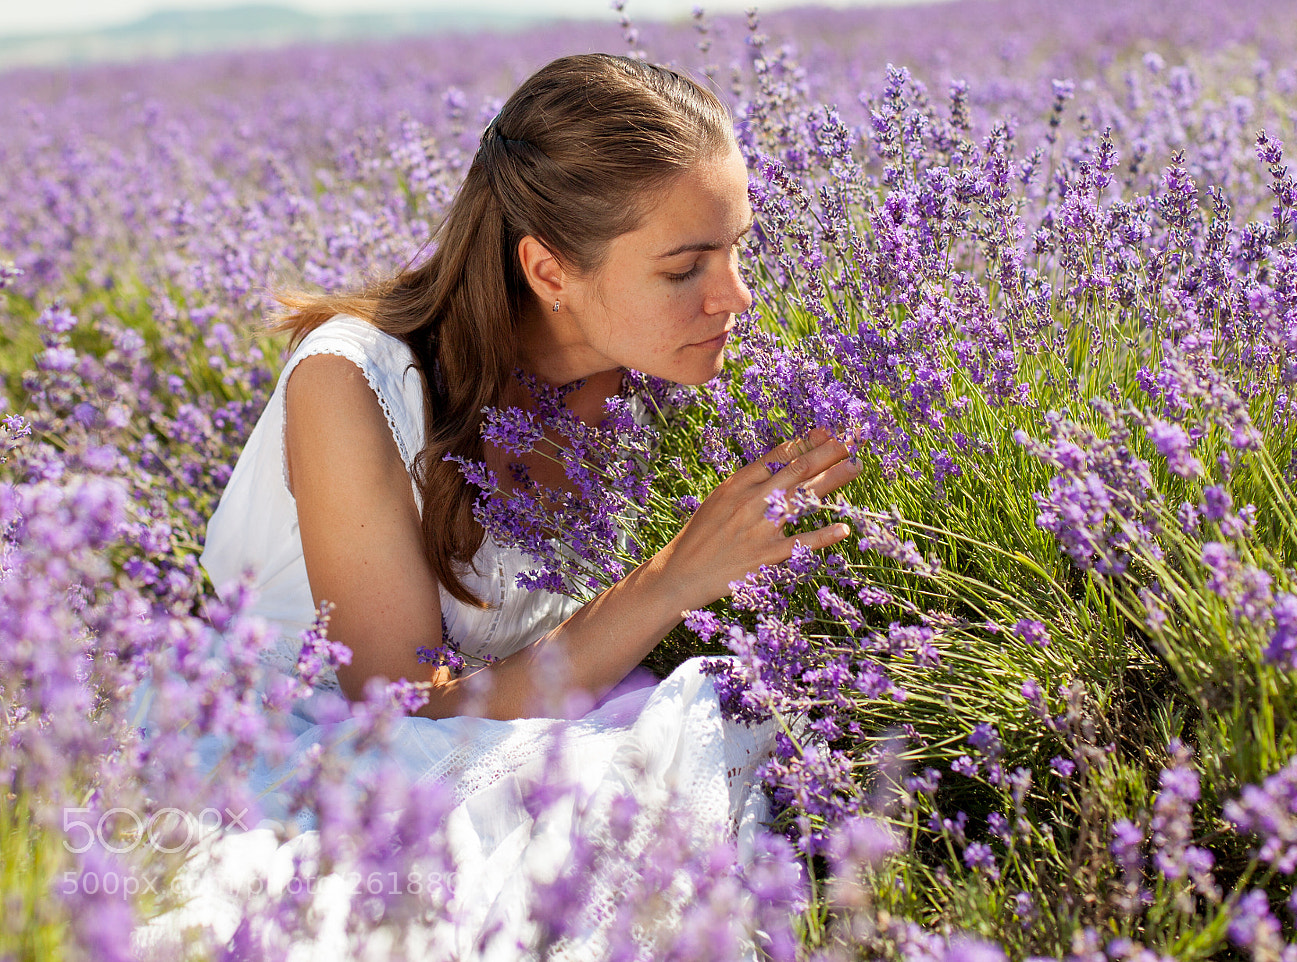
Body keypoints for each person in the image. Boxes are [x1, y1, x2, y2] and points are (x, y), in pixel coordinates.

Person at [131, 53, 862, 959]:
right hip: (311, 744)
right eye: (685, 268)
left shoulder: (647, 381)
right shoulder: (352, 384)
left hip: (529, 716)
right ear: (549, 271)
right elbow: (398, 716)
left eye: (738, 246)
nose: (737, 297)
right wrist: (678, 576)